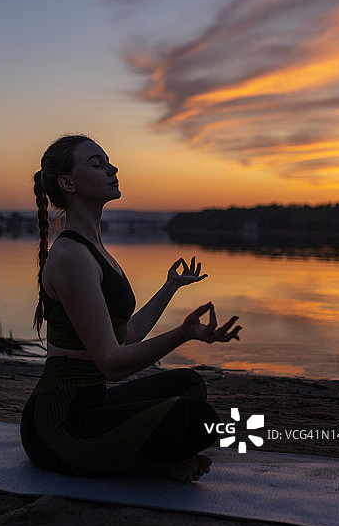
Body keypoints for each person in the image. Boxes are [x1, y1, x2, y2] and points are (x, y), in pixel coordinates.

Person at [20, 134, 242, 482]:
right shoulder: (72, 256)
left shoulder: (93, 248)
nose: (113, 169)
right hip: (59, 426)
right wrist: (183, 334)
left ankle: (153, 457)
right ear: (68, 182)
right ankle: (157, 462)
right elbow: (111, 363)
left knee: (189, 383)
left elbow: (126, 337)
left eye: (109, 161)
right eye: (98, 164)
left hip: (94, 403)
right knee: (195, 419)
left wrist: (170, 287)